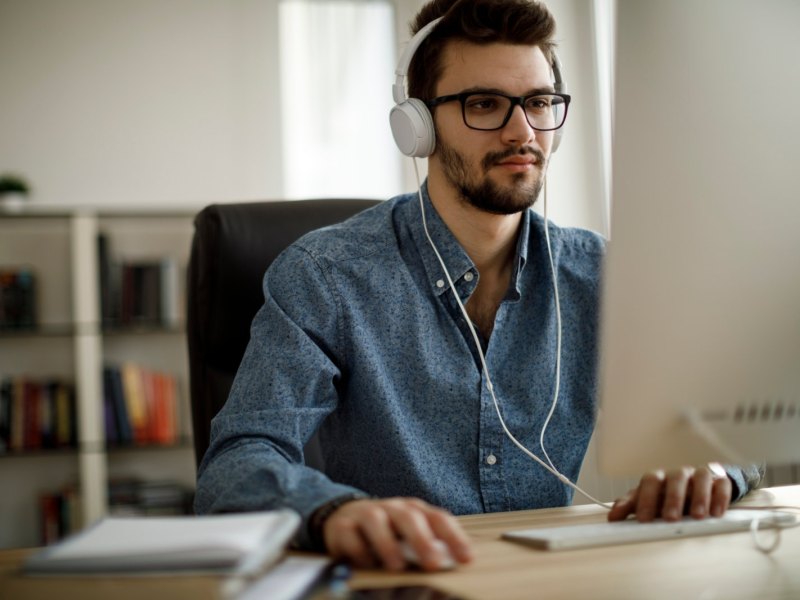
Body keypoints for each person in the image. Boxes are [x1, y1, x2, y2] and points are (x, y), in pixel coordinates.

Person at [195, 0, 763, 572]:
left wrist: (712, 468)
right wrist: (329, 513)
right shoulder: (325, 276)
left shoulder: (602, 274)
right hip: (403, 580)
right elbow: (235, 463)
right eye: (484, 104)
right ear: (417, 126)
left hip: (553, 580)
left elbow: (733, 429)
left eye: (539, 103)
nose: (523, 132)